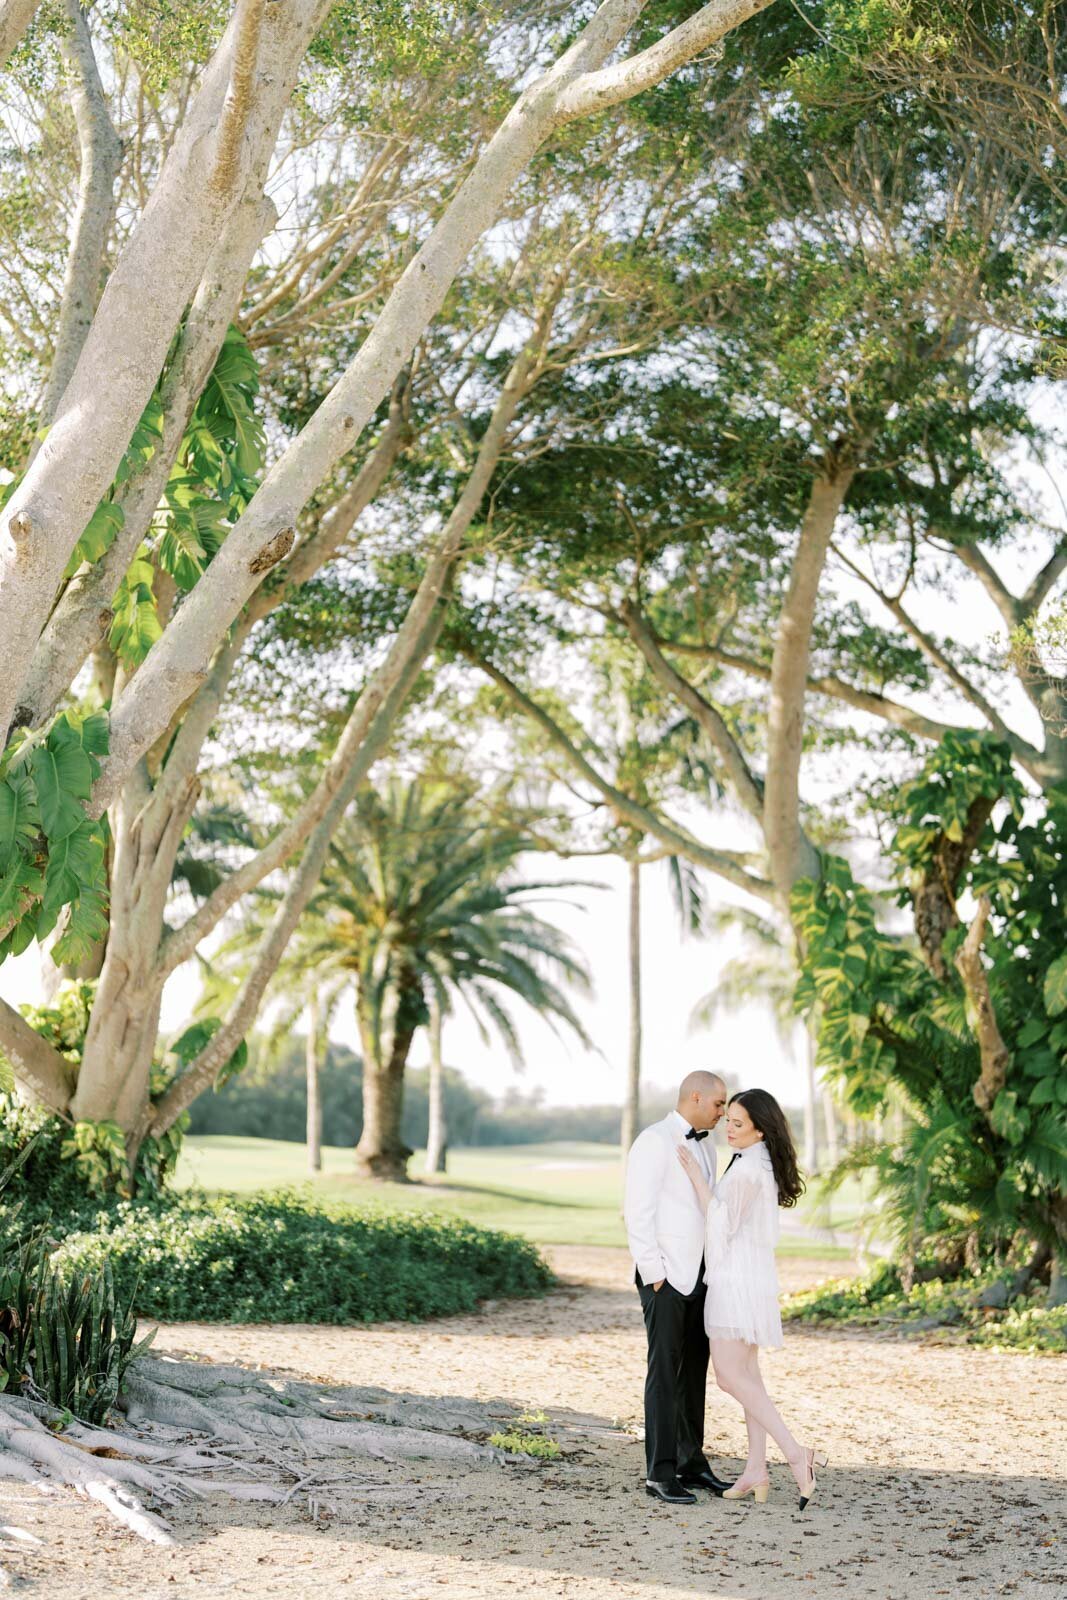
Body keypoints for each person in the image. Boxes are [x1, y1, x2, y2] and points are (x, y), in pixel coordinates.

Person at [676, 1087, 827, 1511]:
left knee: (728, 1377)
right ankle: (756, 1469)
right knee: (749, 1378)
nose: (729, 1128)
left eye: (738, 1124)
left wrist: (696, 1180)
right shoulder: (755, 1163)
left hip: (735, 1282)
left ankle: (797, 1455)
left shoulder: (746, 1172)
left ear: (761, 1131)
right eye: (729, 1120)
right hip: (751, 1280)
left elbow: (720, 1226)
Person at [623, 1070, 734, 1505]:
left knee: (693, 1376)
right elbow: (638, 1212)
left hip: (702, 1278)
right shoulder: (653, 1141)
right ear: (695, 1097)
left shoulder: (706, 1146)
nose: (724, 1112)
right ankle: (660, 1473)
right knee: (665, 1375)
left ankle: (692, 1463)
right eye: (719, 1103)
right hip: (666, 1279)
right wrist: (655, 1276)